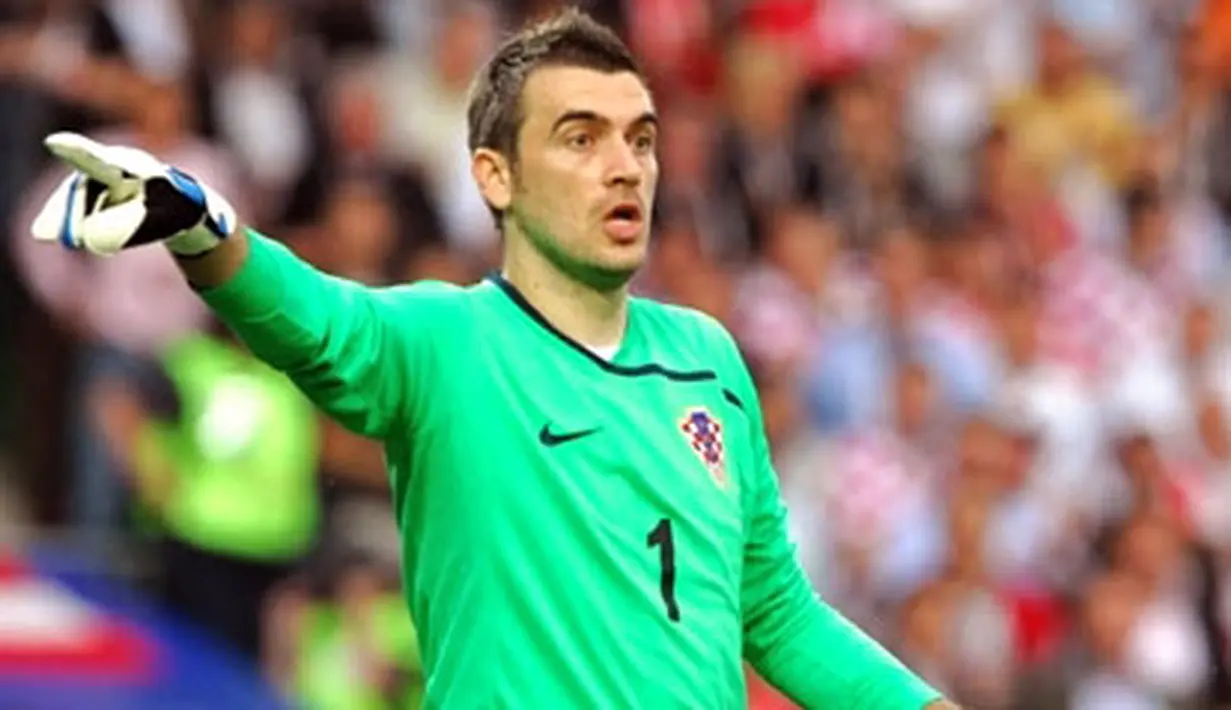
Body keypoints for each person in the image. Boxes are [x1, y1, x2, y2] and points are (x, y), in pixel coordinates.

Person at [28, 8, 956, 709]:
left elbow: (776, 614)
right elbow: (312, 319)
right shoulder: (450, 344)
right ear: (494, 176)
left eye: (640, 138)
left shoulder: (706, 355)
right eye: (580, 138)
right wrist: (203, 228)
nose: (625, 165)